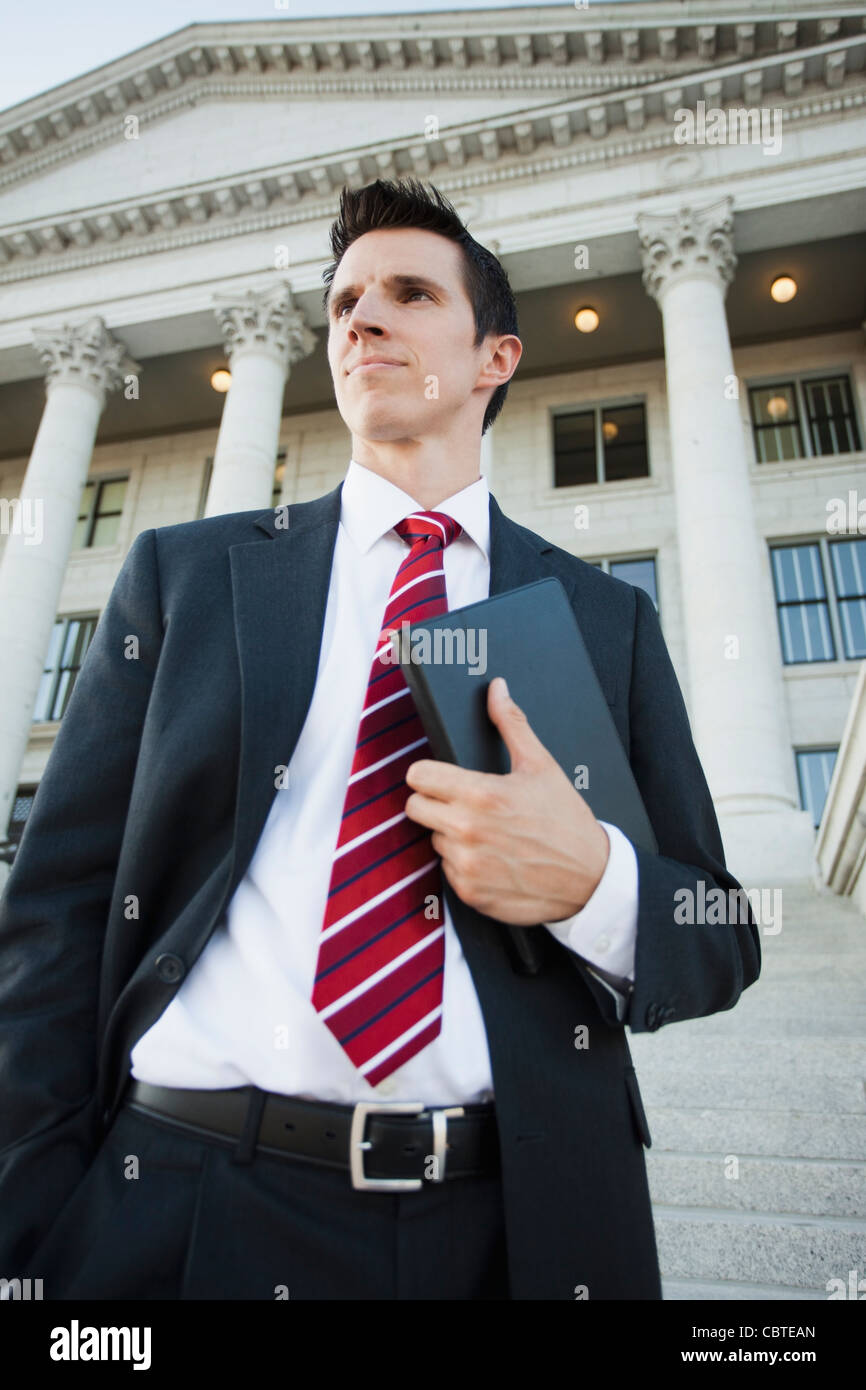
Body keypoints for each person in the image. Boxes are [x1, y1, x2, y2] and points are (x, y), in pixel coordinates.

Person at [0, 177, 760, 1301]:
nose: (361, 318)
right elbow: (55, 913)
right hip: (181, 1206)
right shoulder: (187, 578)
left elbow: (720, 933)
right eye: (346, 299)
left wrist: (591, 879)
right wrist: (32, 1224)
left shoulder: (605, 620)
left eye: (408, 293)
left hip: (512, 1225)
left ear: (494, 358)